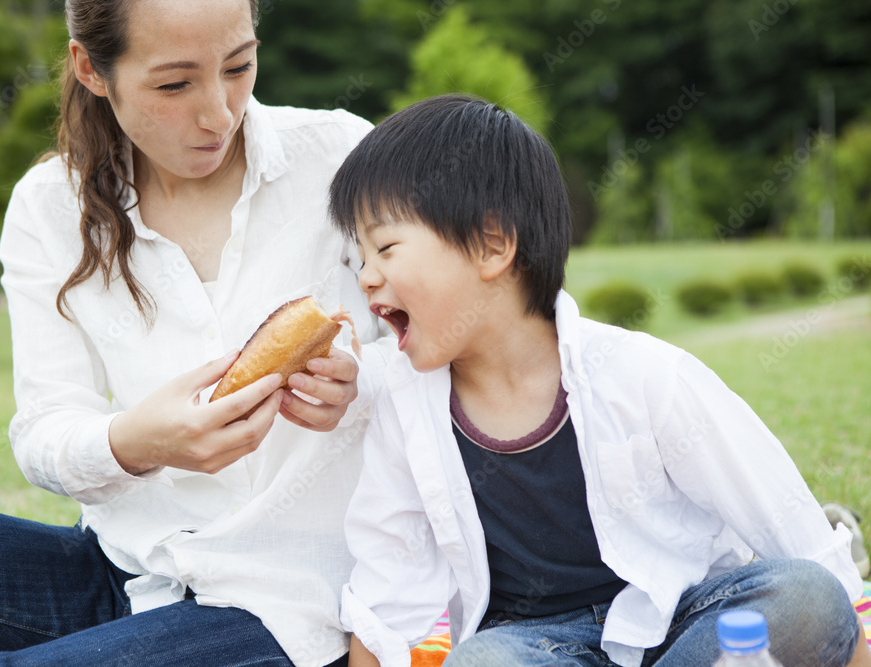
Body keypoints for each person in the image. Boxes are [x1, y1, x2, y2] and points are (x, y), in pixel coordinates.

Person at [0, 0, 395, 665]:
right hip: (121, 575)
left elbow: (456, 350)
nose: (219, 113)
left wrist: (361, 382)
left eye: (239, 65)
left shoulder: (339, 155)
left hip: (286, 602)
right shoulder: (47, 208)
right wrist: (135, 442)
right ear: (91, 68)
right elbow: (45, 428)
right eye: (174, 84)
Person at [327, 94, 871, 667]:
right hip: (536, 646)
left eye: (385, 248)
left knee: (806, 597)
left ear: (492, 244)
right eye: (357, 260)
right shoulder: (404, 404)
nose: (366, 278)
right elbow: (390, 582)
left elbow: (780, 513)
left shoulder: (644, 375)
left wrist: (842, 629)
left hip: (678, 620)